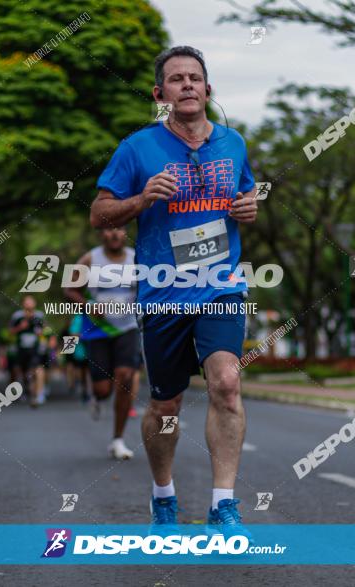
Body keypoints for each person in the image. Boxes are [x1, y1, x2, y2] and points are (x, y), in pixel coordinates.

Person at [89, 46, 258, 537]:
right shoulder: (137, 148)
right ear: (160, 94)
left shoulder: (233, 143)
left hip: (220, 286)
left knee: (227, 383)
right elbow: (99, 214)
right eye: (176, 79)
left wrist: (248, 209)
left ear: (208, 90)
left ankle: (223, 505)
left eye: (195, 78)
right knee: (166, 407)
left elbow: (244, 197)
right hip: (164, 291)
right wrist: (141, 199)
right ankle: (163, 492)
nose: (187, 85)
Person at [64, 227, 140, 460]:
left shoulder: (136, 259)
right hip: (97, 331)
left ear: (125, 232)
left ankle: (118, 439)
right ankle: (96, 397)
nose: (114, 234)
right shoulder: (90, 259)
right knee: (103, 389)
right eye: (109, 230)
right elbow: (69, 289)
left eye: (119, 229)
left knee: (126, 377)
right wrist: (88, 306)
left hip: (127, 327)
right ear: (101, 234)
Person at [8, 295, 47, 408]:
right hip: (21, 349)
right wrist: (20, 327)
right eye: (27, 301)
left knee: (38, 369)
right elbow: (10, 332)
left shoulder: (39, 315)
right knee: (24, 373)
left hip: (35, 349)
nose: (29, 303)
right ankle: (27, 390)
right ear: (23, 303)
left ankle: (39, 395)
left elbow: (45, 329)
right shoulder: (17, 316)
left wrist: (42, 333)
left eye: (31, 301)